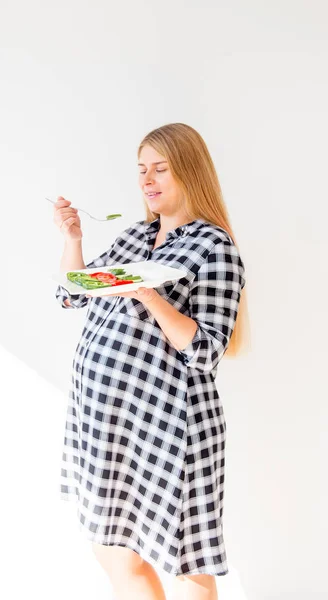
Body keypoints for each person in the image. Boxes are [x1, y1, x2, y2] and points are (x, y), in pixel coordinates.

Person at [54, 123, 249, 600]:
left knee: (182, 560)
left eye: (161, 168)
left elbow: (205, 349)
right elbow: (71, 293)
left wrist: (149, 296)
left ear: (189, 171)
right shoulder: (133, 238)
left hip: (169, 422)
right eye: (142, 170)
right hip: (104, 419)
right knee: (114, 547)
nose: (148, 179)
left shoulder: (214, 247)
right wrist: (73, 238)